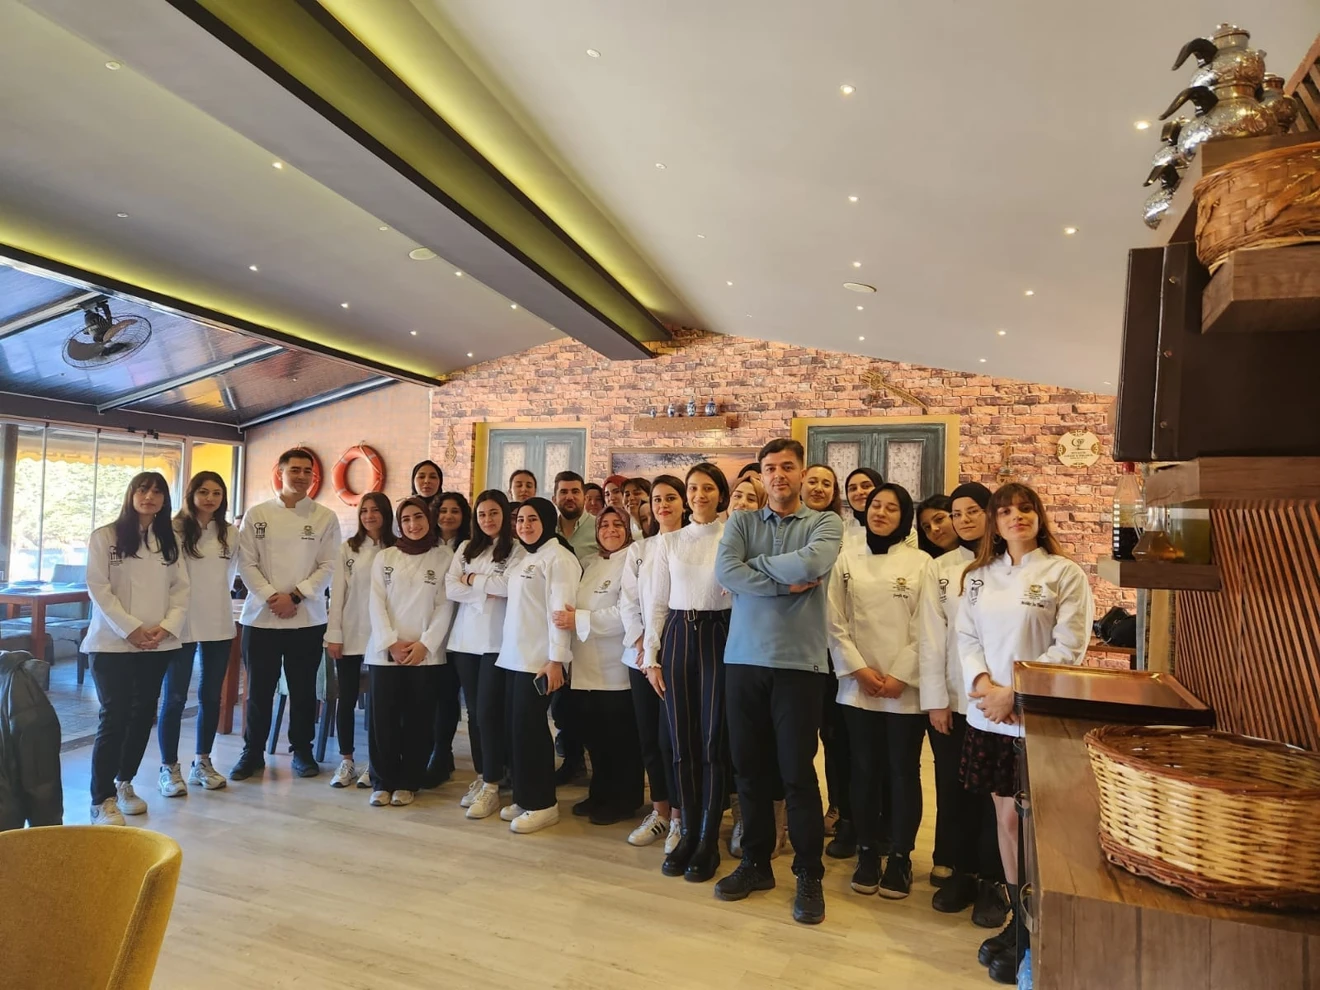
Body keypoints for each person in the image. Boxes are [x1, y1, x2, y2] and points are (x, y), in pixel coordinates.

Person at [957, 482, 1092, 984]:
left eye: (1026, 508)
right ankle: (1020, 921)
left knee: (1038, 825)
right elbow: (966, 637)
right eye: (1006, 511)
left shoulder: (1064, 573)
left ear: (1039, 516)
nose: (1017, 517)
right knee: (1007, 820)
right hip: (988, 714)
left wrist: (1014, 694)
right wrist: (983, 686)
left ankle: (1044, 926)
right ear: (994, 523)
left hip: (1034, 716)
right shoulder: (977, 577)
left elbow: (1069, 647)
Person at [713, 439, 843, 925]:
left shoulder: (825, 523)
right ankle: (756, 863)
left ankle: (809, 874)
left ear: (802, 473)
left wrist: (753, 570)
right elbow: (724, 571)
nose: (778, 475)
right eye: (770, 468)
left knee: (796, 774)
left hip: (800, 666)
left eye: (788, 466)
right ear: (761, 475)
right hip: (743, 660)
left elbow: (810, 564)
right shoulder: (742, 522)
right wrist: (781, 584)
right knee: (749, 771)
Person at [827, 483, 941, 900]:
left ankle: (900, 857)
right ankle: (867, 852)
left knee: (903, 771)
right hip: (857, 686)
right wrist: (858, 669)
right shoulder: (846, 558)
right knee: (863, 770)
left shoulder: (921, 562)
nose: (881, 512)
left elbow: (927, 626)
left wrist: (900, 675)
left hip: (903, 690)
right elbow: (833, 620)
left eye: (892, 508)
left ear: (904, 517)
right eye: (876, 505)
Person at [83, 472, 190, 824]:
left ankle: (124, 782)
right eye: (143, 490)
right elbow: (99, 588)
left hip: (156, 643)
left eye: (158, 492)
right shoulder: (106, 537)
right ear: (131, 494)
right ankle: (101, 800)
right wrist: (130, 628)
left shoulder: (170, 540)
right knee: (114, 716)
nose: (149, 497)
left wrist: (166, 627)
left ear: (165, 500)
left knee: (143, 714)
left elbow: (181, 589)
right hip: (111, 643)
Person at [645, 463, 732, 883]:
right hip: (679, 633)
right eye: (693, 488)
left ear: (721, 494)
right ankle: (688, 832)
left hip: (720, 634)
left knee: (713, 742)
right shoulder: (670, 541)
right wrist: (651, 656)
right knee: (682, 743)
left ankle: (708, 839)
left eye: (708, 488)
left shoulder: (733, 535)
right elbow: (657, 602)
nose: (699, 495)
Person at [231, 447, 340, 781]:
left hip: (306, 619)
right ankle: (252, 752)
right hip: (260, 618)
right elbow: (246, 563)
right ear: (280, 472)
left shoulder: (325, 517)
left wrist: (294, 596)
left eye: (308, 471)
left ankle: (302, 751)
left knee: (303, 690)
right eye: (295, 470)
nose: (302, 476)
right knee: (258, 691)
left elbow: (329, 565)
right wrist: (271, 596)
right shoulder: (257, 514)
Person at [927, 482, 1008, 925]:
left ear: (991, 511)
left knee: (994, 795)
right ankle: (962, 870)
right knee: (954, 790)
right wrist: (936, 700)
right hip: (954, 700)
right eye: (956, 514)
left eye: (972, 511)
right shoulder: (941, 569)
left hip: (1000, 703)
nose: (963, 520)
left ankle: (994, 880)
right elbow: (931, 638)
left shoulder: (1011, 565)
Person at [495, 498, 581, 833]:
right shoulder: (525, 556)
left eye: (532, 519)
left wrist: (556, 659)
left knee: (531, 732)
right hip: (515, 658)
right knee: (516, 732)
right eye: (520, 520)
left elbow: (561, 612)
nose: (525, 525)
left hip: (540, 661)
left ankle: (543, 804)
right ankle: (525, 797)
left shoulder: (559, 558)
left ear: (547, 521)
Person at [363, 497, 455, 807]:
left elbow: (445, 606)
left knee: (419, 720)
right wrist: (390, 642)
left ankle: (408, 781)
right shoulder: (385, 557)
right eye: (406, 519)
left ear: (429, 519)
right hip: (386, 653)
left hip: (425, 655)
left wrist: (425, 644)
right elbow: (376, 602)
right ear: (398, 524)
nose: (413, 524)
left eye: (418, 517)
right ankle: (382, 780)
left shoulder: (444, 557)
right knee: (383, 721)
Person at [554, 507, 643, 825]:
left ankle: (624, 800)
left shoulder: (635, 559)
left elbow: (626, 613)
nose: (610, 530)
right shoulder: (591, 563)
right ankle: (600, 793)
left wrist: (577, 619)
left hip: (615, 668)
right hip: (586, 667)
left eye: (618, 524)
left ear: (628, 529)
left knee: (621, 741)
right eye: (604, 525)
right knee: (596, 740)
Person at [157, 471, 238, 798]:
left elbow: (234, 573)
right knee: (175, 697)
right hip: (182, 622)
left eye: (216, 493)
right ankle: (169, 767)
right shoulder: (173, 530)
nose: (210, 498)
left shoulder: (230, 533)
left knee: (211, 695)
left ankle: (202, 762)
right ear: (191, 494)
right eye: (203, 492)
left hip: (218, 620)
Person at [446, 490, 524, 819]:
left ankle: (493, 783)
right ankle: (484, 774)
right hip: (465, 642)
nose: (487, 519)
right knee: (475, 714)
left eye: (493, 513)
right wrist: (485, 588)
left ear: (504, 515)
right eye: (482, 514)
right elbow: (451, 587)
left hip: (496, 642)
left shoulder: (517, 548)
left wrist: (472, 579)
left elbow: (508, 587)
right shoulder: (466, 547)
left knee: (490, 711)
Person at [619, 475, 686, 851]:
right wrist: (642, 644)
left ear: (683, 503)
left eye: (671, 497)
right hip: (641, 657)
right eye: (657, 499)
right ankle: (659, 811)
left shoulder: (693, 542)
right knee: (648, 738)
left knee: (672, 739)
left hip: (679, 655)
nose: (663, 505)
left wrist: (660, 650)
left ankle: (679, 816)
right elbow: (628, 601)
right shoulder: (639, 550)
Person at [325, 491, 394, 790]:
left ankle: (375, 762)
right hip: (351, 632)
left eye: (375, 510)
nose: (369, 516)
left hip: (384, 637)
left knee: (381, 704)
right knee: (347, 698)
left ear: (386, 513)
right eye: (364, 511)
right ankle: (347, 760)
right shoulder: (348, 549)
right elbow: (337, 595)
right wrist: (334, 635)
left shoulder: (396, 548)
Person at [801, 463, 852, 855]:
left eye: (827, 483)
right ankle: (799, 813)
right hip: (798, 647)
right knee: (800, 741)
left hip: (834, 652)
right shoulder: (787, 528)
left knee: (836, 739)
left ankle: (840, 808)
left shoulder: (842, 534)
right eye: (813, 481)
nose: (819, 488)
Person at [427, 492, 471, 785]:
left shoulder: (471, 547)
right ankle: (438, 753)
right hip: (429, 631)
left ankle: (442, 751)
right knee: (433, 697)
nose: (448, 516)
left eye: (455, 511)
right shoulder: (425, 545)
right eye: (443, 510)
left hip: (461, 631)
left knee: (448, 696)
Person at [553, 471, 599, 561]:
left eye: (575, 492)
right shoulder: (547, 530)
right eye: (563, 492)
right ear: (554, 499)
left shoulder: (600, 527)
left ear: (585, 498)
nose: (569, 497)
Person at [843, 468, 884, 547]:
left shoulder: (902, 530)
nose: (859, 492)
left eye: (866, 486)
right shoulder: (840, 530)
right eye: (853, 488)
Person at [917, 494, 960, 559]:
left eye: (939, 519)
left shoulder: (975, 556)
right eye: (927, 527)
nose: (934, 529)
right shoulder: (928, 563)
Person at [622, 477, 653, 541]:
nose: (630, 498)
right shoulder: (624, 525)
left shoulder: (659, 520)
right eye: (627, 495)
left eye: (637, 493)